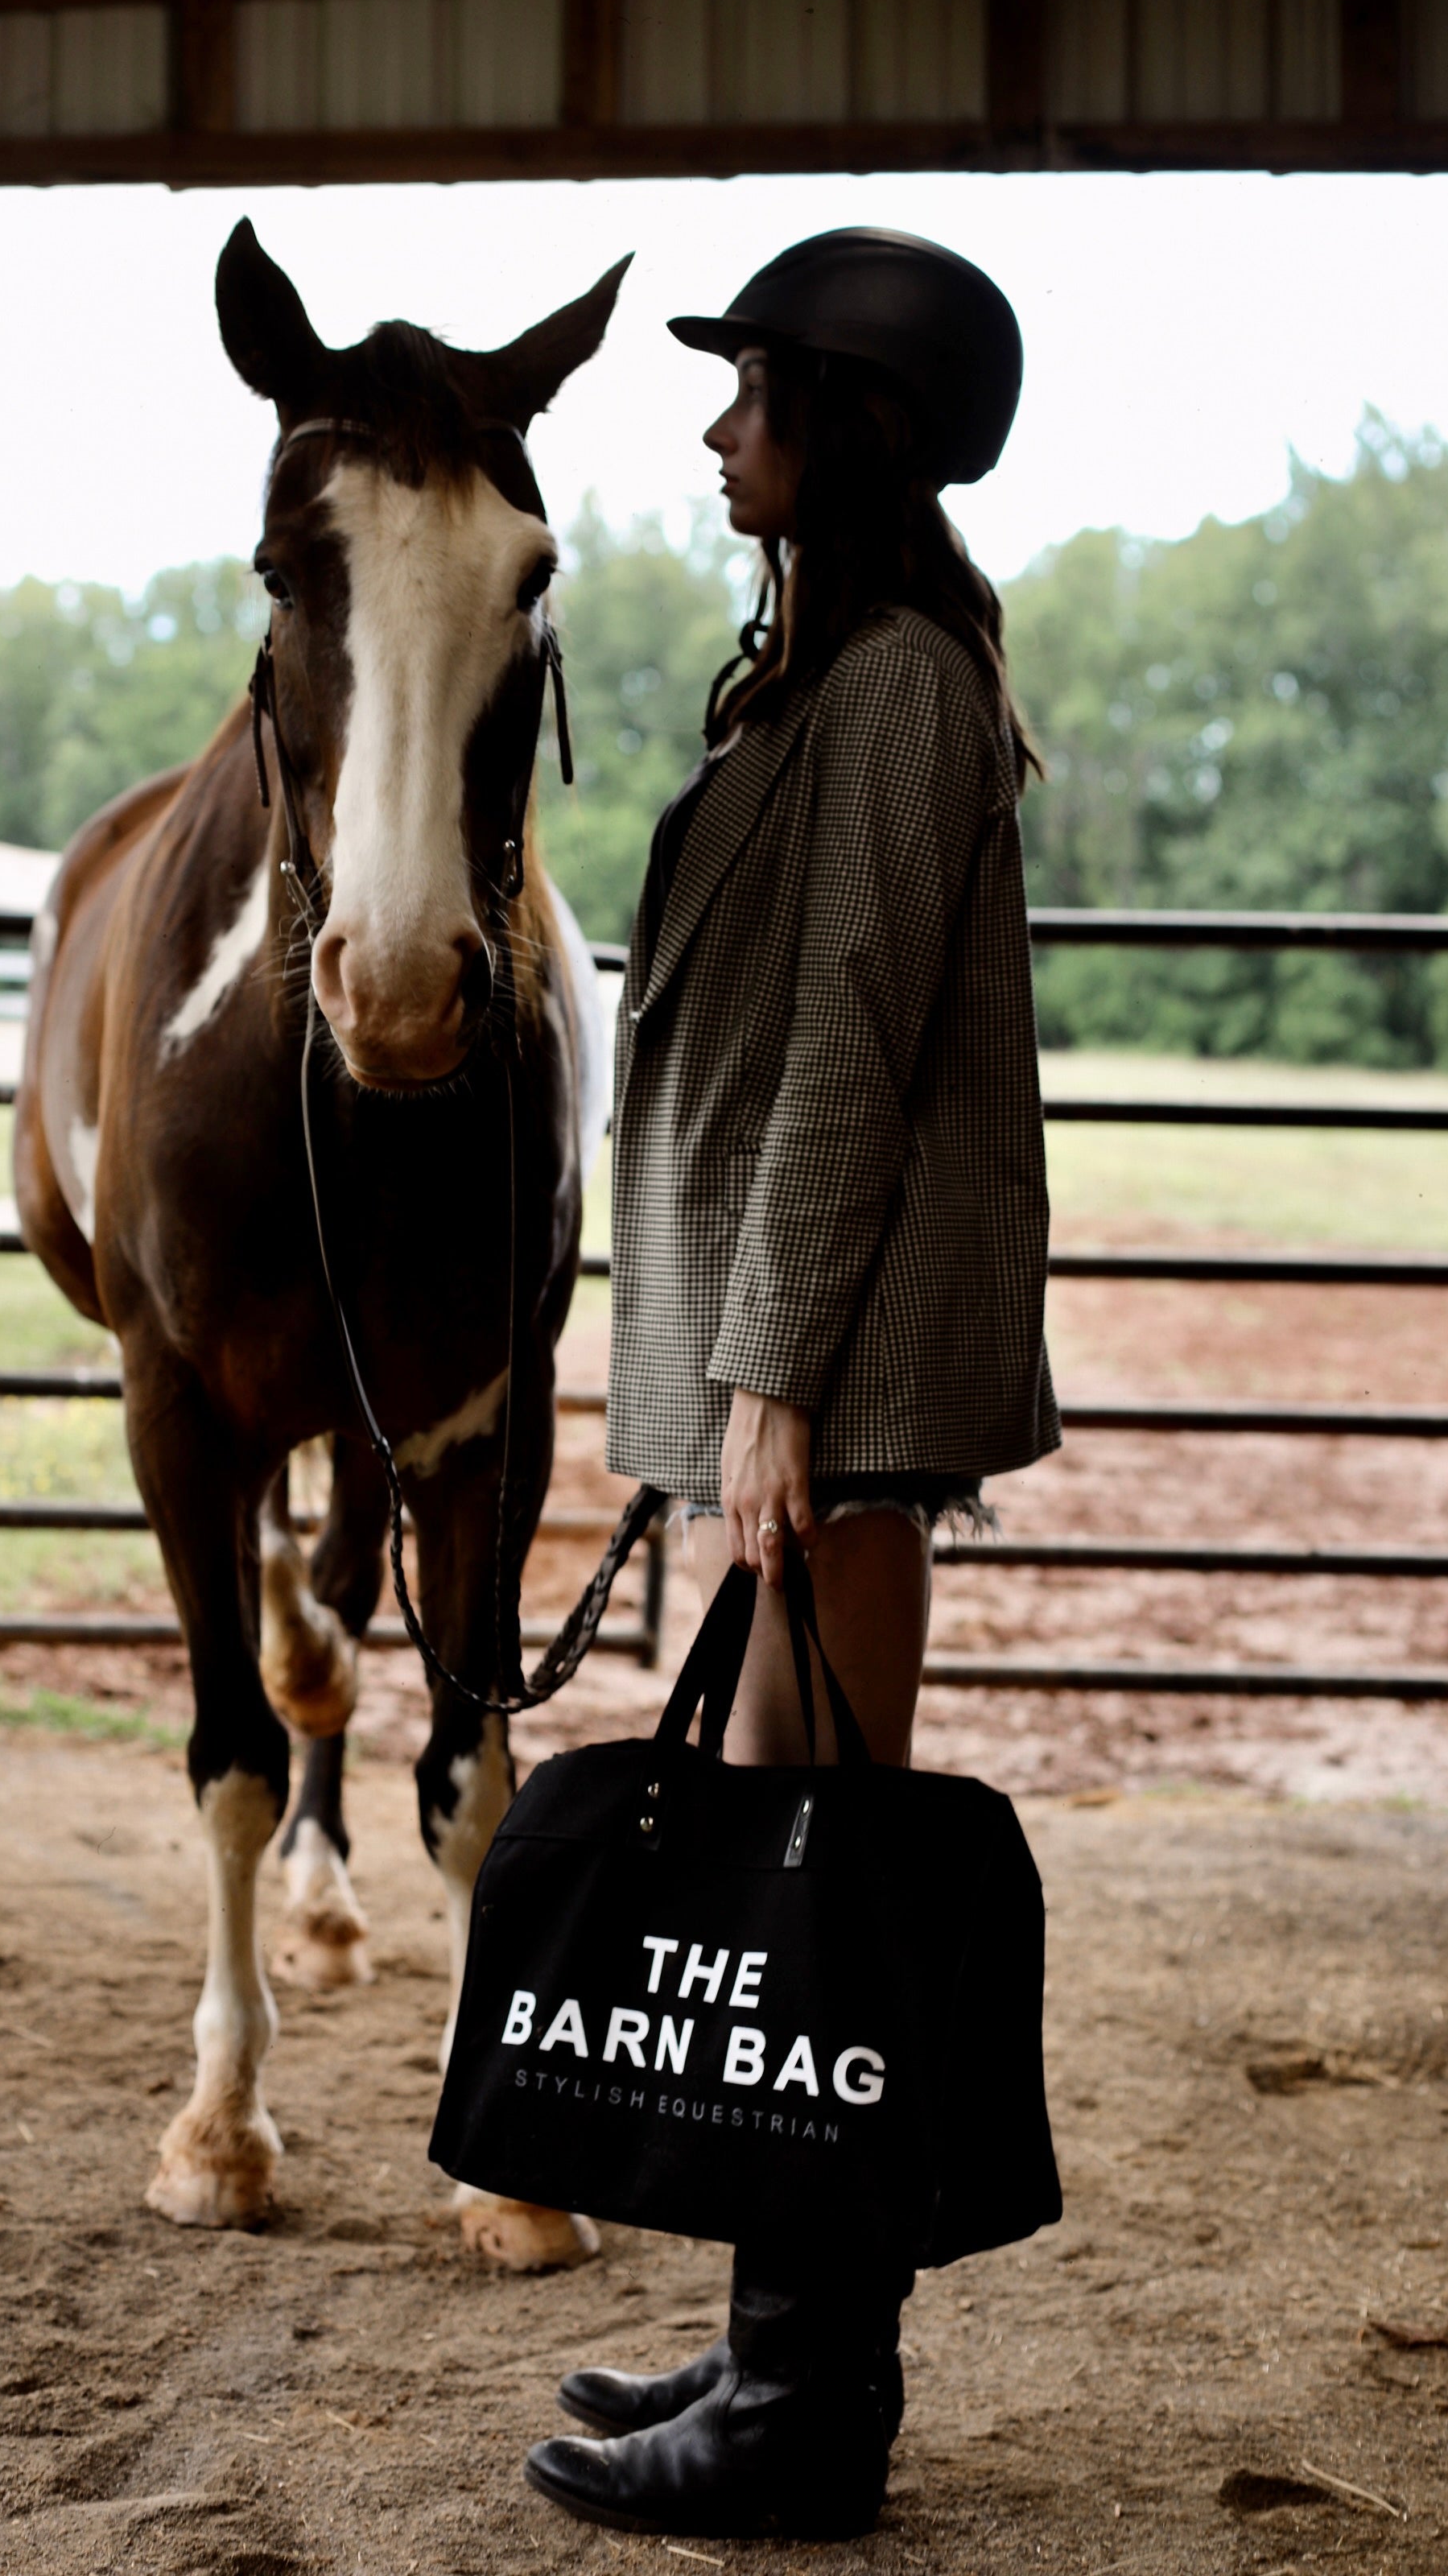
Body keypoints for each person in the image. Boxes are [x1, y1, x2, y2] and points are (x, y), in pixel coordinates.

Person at [524, 228, 1059, 2541]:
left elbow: (850, 1045)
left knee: (815, 1867)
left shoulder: (905, 681)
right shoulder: (831, 674)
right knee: (781, 1854)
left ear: (850, 425)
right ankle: (776, 2347)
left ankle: (805, 2403)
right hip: (795, 1341)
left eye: (752, 392)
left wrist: (770, 1381)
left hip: (827, 1361)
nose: (718, 426)